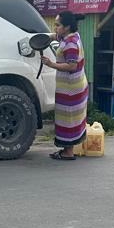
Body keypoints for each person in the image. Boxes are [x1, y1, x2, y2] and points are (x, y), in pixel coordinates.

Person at [41, 9, 88, 161]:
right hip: (73, 86)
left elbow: (71, 66)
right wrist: (42, 37)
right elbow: (55, 36)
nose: (55, 28)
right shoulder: (71, 36)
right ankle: (67, 149)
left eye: (57, 25)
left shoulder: (71, 44)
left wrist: (51, 64)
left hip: (70, 89)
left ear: (66, 27)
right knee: (70, 118)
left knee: (68, 119)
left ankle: (68, 152)